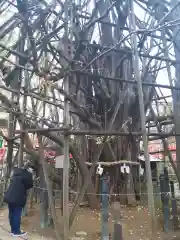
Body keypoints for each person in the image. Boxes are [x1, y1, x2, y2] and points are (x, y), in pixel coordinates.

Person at [4, 163, 34, 237]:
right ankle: (17, 232)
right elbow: (30, 185)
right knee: (17, 214)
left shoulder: (16, 172)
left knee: (11, 213)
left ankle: (13, 230)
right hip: (18, 197)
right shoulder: (28, 175)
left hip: (10, 196)